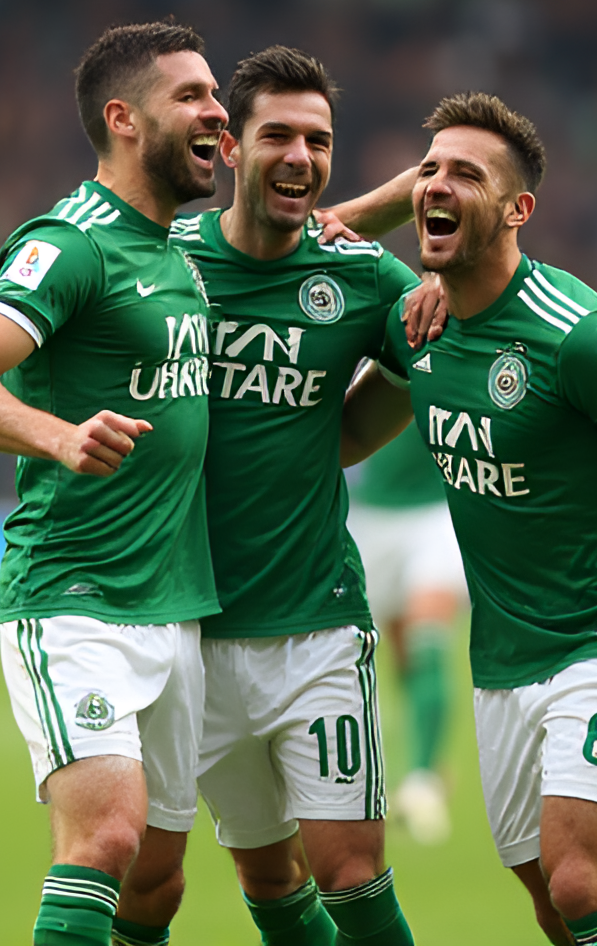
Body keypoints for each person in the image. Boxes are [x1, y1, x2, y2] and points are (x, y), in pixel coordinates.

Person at [340, 92, 597, 946]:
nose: (438, 187)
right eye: (429, 171)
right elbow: (346, 435)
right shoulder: (417, 327)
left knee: (582, 884)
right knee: (551, 904)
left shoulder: (581, 336)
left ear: (518, 209)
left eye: (467, 174)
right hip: (502, 657)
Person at [0, 21, 227, 946]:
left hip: (176, 604)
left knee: (158, 883)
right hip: (75, 596)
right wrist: (58, 435)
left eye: (217, 94)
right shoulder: (73, 243)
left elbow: (305, 219)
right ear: (123, 119)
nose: (219, 111)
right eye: (192, 97)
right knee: (105, 837)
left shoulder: (180, 245)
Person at [173, 46, 425, 946]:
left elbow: (421, 357)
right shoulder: (166, 262)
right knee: (268, 877)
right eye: (277, 134)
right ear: (232, 148)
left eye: (318, 140)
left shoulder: (359, 276)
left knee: (351, 873)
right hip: (188, 634)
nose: (301, 156)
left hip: (316, 624)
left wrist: (345, 427)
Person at [347, 420, 466, 844]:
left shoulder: (441, 352)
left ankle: (422, 782)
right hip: (367, 513)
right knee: (391, 651)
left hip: (436, 510)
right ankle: (419, 766)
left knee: (426, 632)